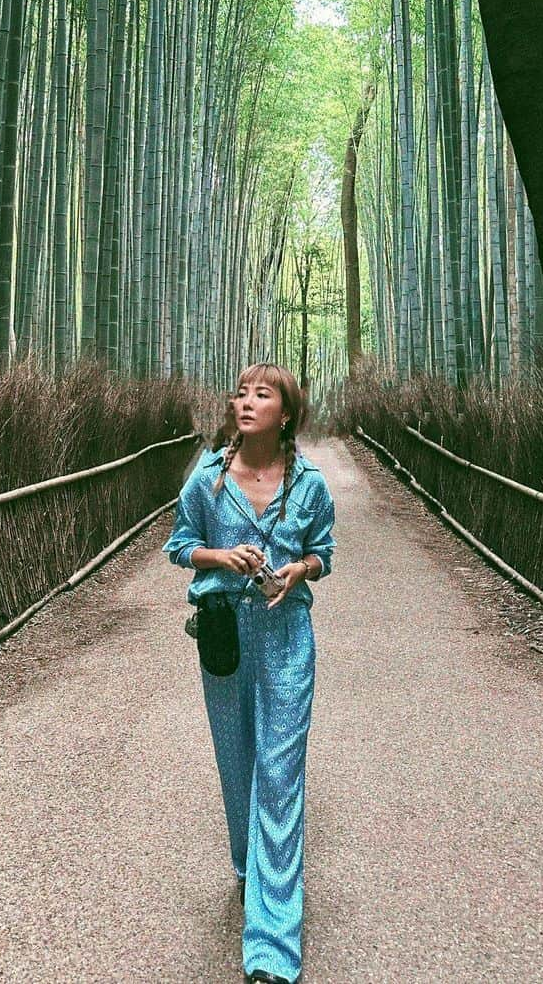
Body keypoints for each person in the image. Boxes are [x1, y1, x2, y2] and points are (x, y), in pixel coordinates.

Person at [163, 362, 336, 984]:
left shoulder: (310, 483)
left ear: (285, 413)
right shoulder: (207, 480)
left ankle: (271, 951)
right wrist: (221, 557)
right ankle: (251, 867)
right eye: (240, 392)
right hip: (224, 639)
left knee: (279, 775)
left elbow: (326, 552)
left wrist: (300, 570)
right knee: (238, 767)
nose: (246, 401)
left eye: (262, 394)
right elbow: (179, 546)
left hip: (287, 638)